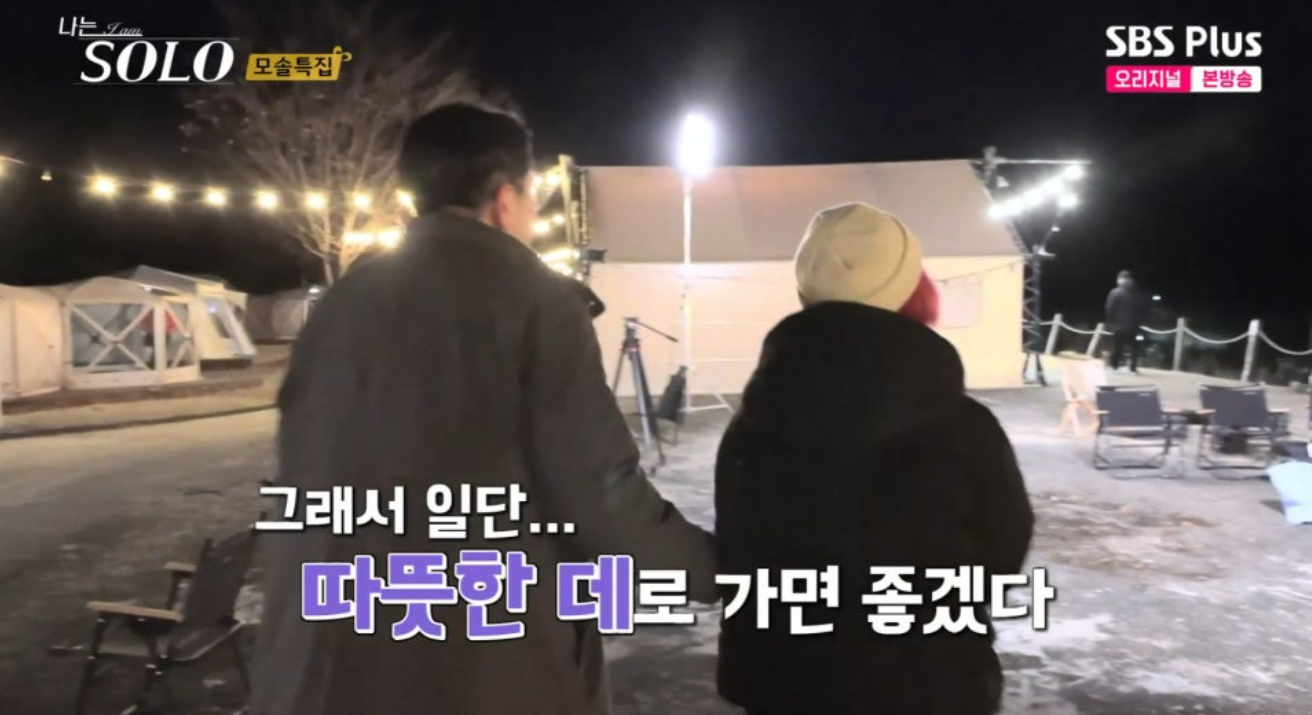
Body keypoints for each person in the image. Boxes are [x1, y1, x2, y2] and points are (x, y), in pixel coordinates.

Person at [250, 103, 717, 715]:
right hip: (475, 661)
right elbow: (597, 492)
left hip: (323, 654)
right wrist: (710, 568)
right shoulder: (535, 301)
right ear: (504, 198)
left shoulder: (342, 304)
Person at [714, 203, 1034, 715]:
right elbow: (1001, 554)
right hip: (930, 683)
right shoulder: (965, 427)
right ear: (912, 289)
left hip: (782, 682)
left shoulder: (752, 426)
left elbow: (739, 551)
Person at [1105, 269, 1148, 373]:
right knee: (1134, 347)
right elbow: (1143, 309)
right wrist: (1140, 321)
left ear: (1121, 279)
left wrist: (1110, 321)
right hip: (1134, 325)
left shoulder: (1115, 292)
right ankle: (1133, 368)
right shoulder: (1138, 293)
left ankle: (1114, 366)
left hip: (1119, 325)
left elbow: (1109, 308)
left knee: (1117, 346)